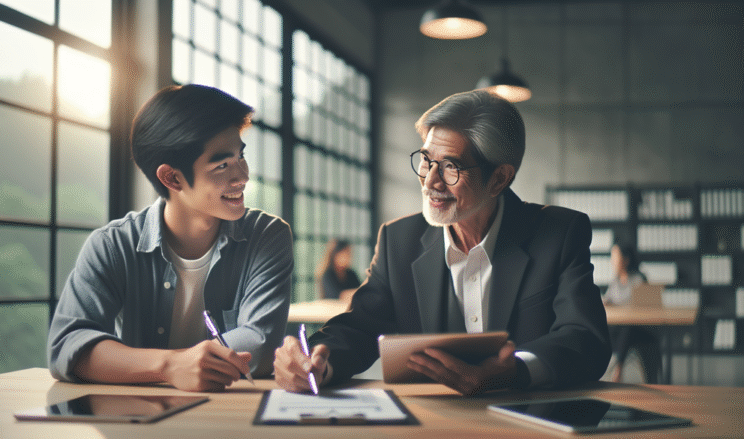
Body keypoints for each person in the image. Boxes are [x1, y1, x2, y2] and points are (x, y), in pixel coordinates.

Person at [274, 89, 611, 395]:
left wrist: (517, 370)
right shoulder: (398, 241)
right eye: (426, 160)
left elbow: (585, 339)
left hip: (532, 421)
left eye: (451, 167)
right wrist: (317, 361)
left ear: (499, 178)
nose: (430, 181)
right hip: (433, 423)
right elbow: (360, 326)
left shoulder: (559, 233)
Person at [48, 84, 293, 392]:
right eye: (222, 165)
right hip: (142, 420)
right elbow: (68, 347)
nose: (242, 176)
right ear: (172, 178)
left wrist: (131, 362)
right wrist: (171, 366)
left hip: (233, 414)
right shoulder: (112, 246)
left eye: (240, 157)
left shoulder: (267, 236)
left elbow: (260, 341)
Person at [601, 243, 656, 383]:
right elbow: (608, 299)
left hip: (637, 329)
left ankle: (617, 369)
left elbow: (644, 306)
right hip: (618, 329)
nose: (612, 261)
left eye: (615, 257)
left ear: (626, 259)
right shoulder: (615, 281)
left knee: (627, 328)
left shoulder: (639, 280)